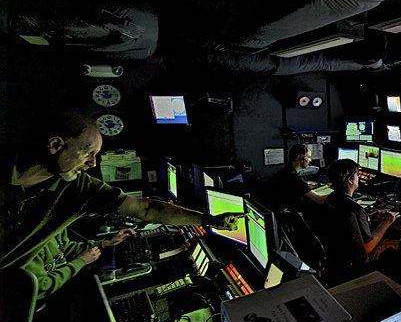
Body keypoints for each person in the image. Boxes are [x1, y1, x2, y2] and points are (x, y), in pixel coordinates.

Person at [0, 109, 243, 271]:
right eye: (88, 152)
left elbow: (146, 208)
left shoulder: (80, 188)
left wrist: (208, 220)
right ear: (56, 145)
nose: (93, 163)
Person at [23, 228, 135, 300]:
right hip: (50, 298)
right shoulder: (29, 247)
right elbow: (43, 286)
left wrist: (105, 243)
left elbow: (66, 248)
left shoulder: (56, 226)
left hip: (64, 283)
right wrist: (80, 262)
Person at [323, 158, 398, 266]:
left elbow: (348, 224)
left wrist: (370, 217)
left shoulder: (330, 199)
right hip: (357, 261)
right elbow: (368, 246)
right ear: (350, 180)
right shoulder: (355, 209)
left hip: (336, 254)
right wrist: (387, 222)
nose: (358, 177)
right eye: (357, 175)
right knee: (396, 242)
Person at [261, 143, 327, 213]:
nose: (310, 160)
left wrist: (318, 185)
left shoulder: (285, 171)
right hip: (286, 215)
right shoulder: (294, 178)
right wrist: (337, 193)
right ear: (301, 157)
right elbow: (320, 199)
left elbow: (301, 188)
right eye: (309, 157)